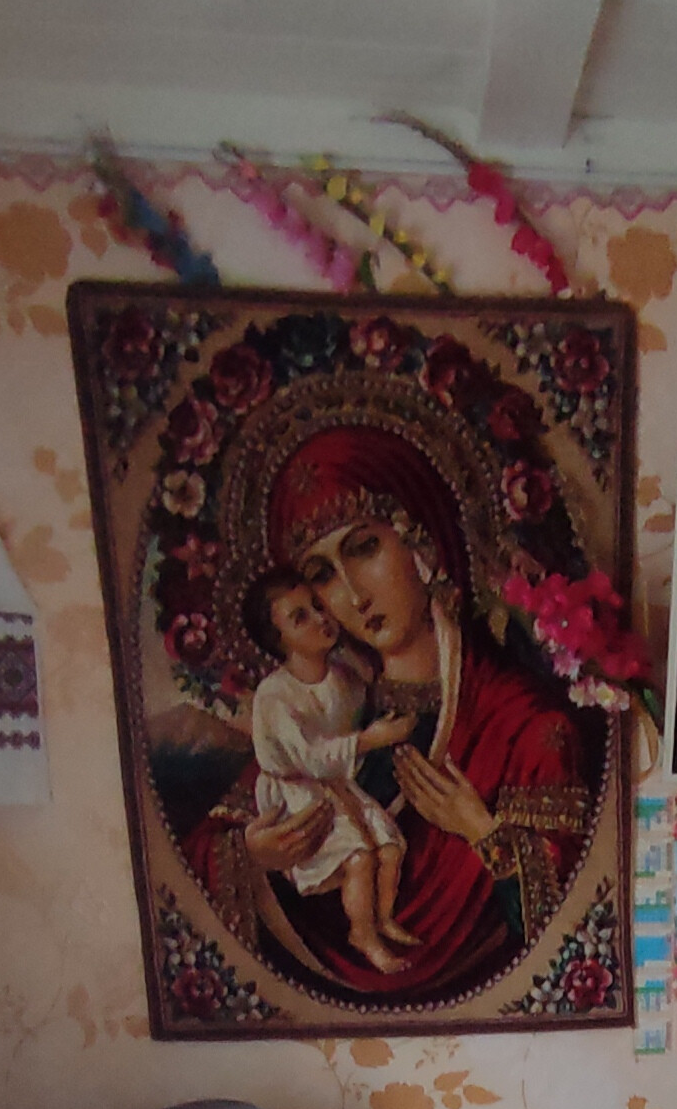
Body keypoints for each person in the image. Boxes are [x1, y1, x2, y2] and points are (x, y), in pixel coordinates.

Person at [184, 418, 596, 1001]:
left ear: (422, 544)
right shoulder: (328, 709)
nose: (353, 594)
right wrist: (255, 854)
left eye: (364, 548)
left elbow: (569, 931)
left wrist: (481, 832)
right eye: (322, 576)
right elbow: (206, 853)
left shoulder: (525, 723)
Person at [242, 571, 418, 973]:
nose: (321, 618)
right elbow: (311, 758)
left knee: (390, 846)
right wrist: (370, 740)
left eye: (318, 606)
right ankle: (363, 934)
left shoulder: (342, 674)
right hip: (299, 794)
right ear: (279, 640)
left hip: (339, 782)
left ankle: (384, 919)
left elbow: (358, 710)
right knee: (358, 857)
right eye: (300, 617)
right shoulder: (275, 696)